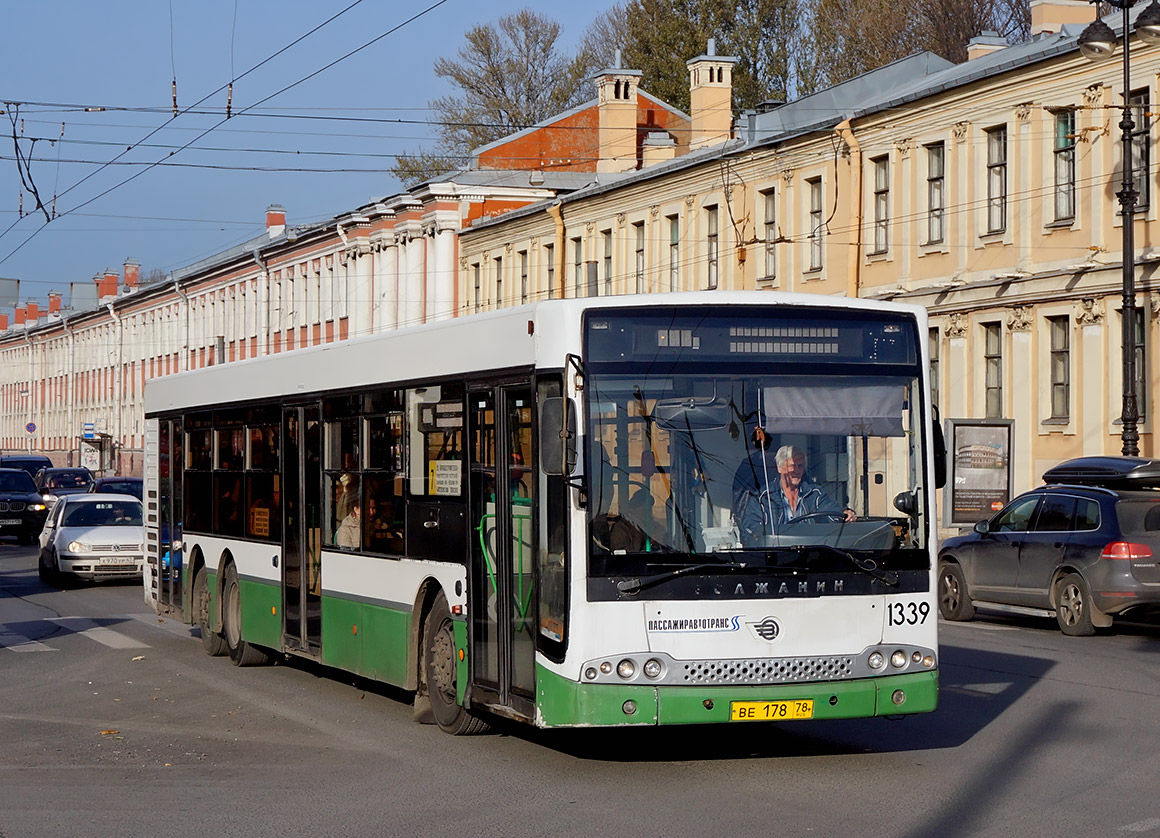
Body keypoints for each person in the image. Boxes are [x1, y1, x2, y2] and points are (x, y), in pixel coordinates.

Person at [733, 430, 854, 547]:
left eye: (800, 466)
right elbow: (752, 531)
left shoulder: (814, 493)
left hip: (811, 556)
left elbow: (830, 509)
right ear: (779, 468)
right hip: (776, 559)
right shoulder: (762, 498)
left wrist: (844, 514)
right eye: (792, 466)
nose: (796, 470)